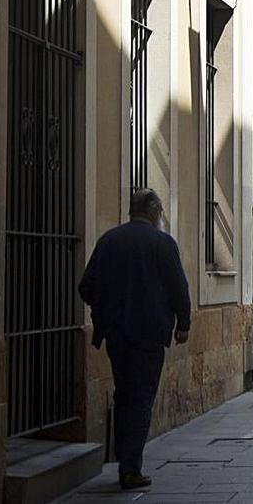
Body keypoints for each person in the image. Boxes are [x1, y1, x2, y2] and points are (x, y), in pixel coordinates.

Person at [78, 189, 190, 490]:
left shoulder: (109, 241)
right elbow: (179, 288)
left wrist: (105, 309)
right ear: (154, 212)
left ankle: (124, 458)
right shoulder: (162, 243)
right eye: (161, 211)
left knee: (124, 391)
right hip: (150, 333)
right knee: (141, 397)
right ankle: (130, 468)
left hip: (116, 332)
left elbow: (86, 286)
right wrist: (183, 325)